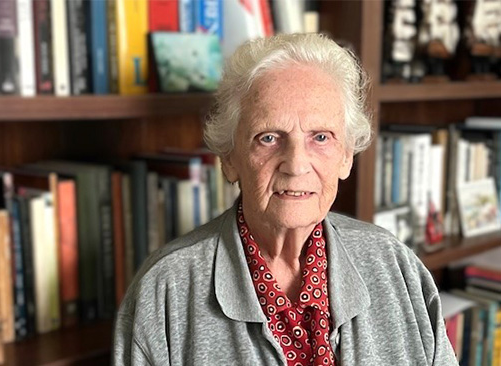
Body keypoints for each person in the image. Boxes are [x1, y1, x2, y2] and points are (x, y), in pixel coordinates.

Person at [113, 33, 457, 366]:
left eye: (320, 137)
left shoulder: (396, 266)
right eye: (268, 138)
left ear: (346, 157)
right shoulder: (165, 291)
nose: (295, 165)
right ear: (229, 158)